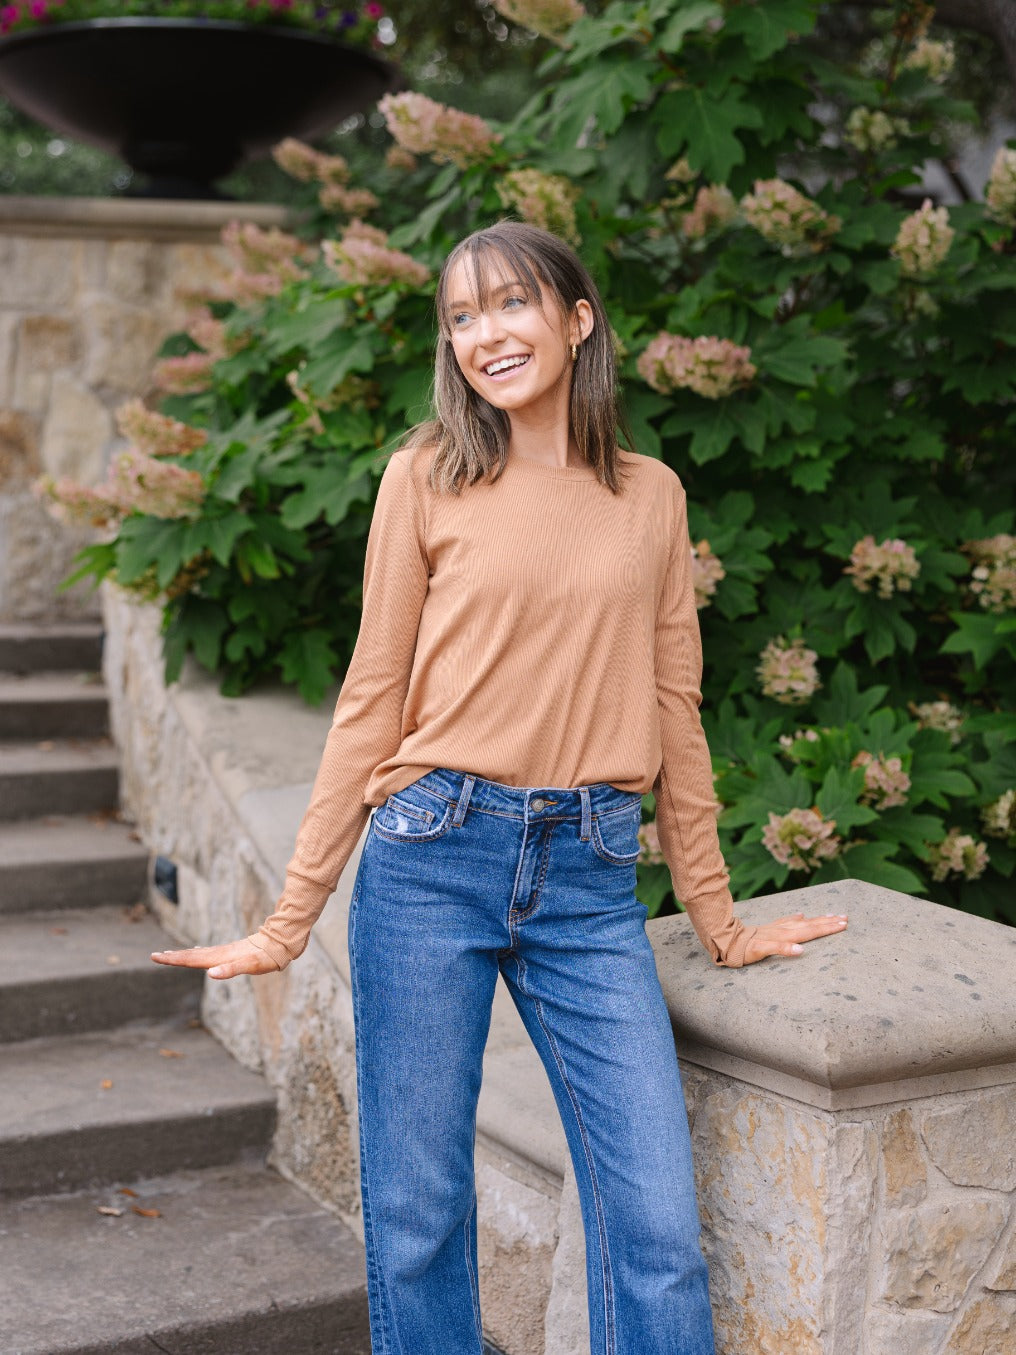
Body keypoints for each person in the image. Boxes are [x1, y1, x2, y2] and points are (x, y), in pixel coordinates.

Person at [152, 221, 848, 1355]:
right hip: (432, 851)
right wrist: (289, 919)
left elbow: (674, 709)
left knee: (658, 1226)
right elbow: (372, 697)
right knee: (421, 1215)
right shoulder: (423, 476)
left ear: (576, 320)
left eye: (510, 304)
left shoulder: (652, 496)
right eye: (461, 317)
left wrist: (715, 916)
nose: (484, 335)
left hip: (587, 874)